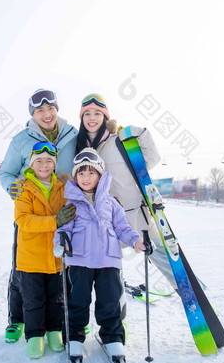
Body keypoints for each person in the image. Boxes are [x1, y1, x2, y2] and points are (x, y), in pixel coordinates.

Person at [76, 93, 178, 291]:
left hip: (138, 218)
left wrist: (141, 135)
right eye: (87, 113)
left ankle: (195, 301)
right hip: (106, 221)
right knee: (111, 274)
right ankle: (118, 318)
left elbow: (150, 161)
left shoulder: (118, 142)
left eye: (97, 113)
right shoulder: (80, 148)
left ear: (105, 116)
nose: (92, 118)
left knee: (167, 262)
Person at [0, 89, 78, 343]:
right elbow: (6, 173)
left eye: (50, 109)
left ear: (57, 109)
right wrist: (14, 189)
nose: (46, 114)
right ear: (33, 114)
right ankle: (18, 319)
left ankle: (63, 320)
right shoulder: (21, 140)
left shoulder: (72, 135)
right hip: (31, 211)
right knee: (23, 268)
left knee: (63, 267)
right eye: (39, 111)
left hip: (63, 209)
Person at [53, 148, 145, 363]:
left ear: (100, 176)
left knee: (110, 302)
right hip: (80, 261)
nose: (86, 178)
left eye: (91, 173)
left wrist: (135, 240)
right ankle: (74, 338)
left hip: (108, 261)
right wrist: (61, 242)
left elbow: (122, 227)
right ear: (75, 177)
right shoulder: (72, 203)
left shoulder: (111, 203)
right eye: (81, 174)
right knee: (78, 302)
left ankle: (112, 338)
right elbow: (64, 228)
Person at [14, 141, 76, 359]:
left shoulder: (62, 186)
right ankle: (34, 335)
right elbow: (23, 219)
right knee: (33, 299)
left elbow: (71, 212)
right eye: (38, 161)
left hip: (56, 256)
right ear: (32, 163)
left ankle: (53, 331)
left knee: (55, 298)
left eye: (49, 160)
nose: (43, 165)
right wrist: (54, 221)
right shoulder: (25, 188)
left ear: (54, 163)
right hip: (31, 257)